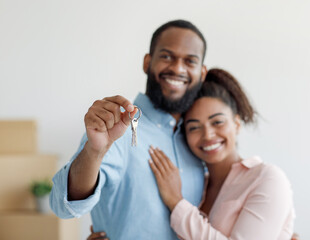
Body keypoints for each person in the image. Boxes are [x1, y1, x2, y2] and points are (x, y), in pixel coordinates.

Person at [87, 69, 297, 240]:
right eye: (194, 127)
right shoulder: (196, 184)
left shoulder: (267, 178)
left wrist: (176, 202)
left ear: (237, 123)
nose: (208, 135)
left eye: (217, 122)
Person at [50, 19, 208, 240]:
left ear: (202, 73)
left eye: (190, 61)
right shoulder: (117, 129)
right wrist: (94, 151)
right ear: (147, 62)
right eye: (167, 56)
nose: (177, 68)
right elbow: (64, 206)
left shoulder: (199, 143)